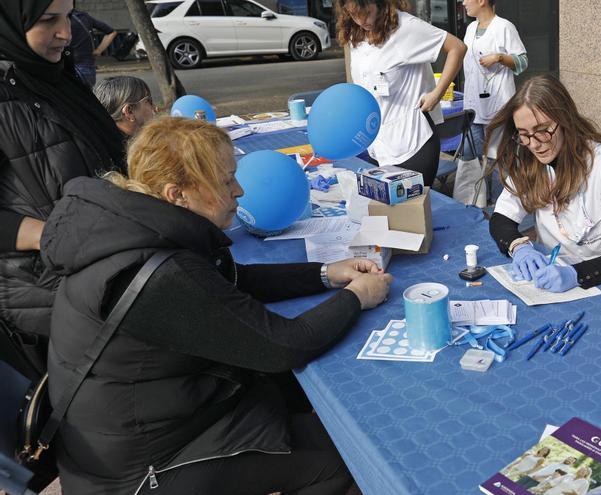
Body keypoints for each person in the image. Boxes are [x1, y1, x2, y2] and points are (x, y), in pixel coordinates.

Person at [41, 116, 393, 494]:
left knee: (326, 429)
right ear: (178, 194)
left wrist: (325, 273)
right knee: (341, 468)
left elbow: (231, 280)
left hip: (149, 427)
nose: (239, 190)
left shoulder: (134, 231)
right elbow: (282, 346)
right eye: (226, 181)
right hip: (138, 469)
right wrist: (358, 296)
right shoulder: (159, 274)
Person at [0, 0, 126, 380]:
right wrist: (56, 236)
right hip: (53, 301)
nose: (67, 32)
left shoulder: (54, 75)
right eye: (47, 19)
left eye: (68, 15)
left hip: (109, 272)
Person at [487, 75, 601, 293]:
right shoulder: (531, 164)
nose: (535, 144)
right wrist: (519, 247)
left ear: (565, 120)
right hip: (560, 281)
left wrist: (576, 274)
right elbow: (501, 219)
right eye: (525, 135)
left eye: (543, 131)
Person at [336, 0, 467, 186]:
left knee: (409, 212)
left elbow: (457, 48)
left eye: (364, 12)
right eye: (353, 14)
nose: (360, 20)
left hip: (413, 143)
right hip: (379, 145)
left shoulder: (406, 28)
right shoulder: (355, 36)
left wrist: (437, 93)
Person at [460, 0, 527, 201]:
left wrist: (499, 57)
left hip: (498, 107)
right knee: (470, 159)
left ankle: (500, 208)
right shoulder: (471, 28)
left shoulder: (504, 27)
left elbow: (522, 62)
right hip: (473, 107)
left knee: (499, 161)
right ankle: (474, 204)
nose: (463, 2)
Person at [93, 75, 157, 141]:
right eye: (148, 101)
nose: (155, 107)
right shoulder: (131, 149)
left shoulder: (98, 139)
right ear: (129, 112)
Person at [69, 7, 116, 87]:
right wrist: (99, 50)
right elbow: (111, 32)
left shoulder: (56, 18)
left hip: (65, 65)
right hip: (86, 66)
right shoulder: (83, 16)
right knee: (86, 97)